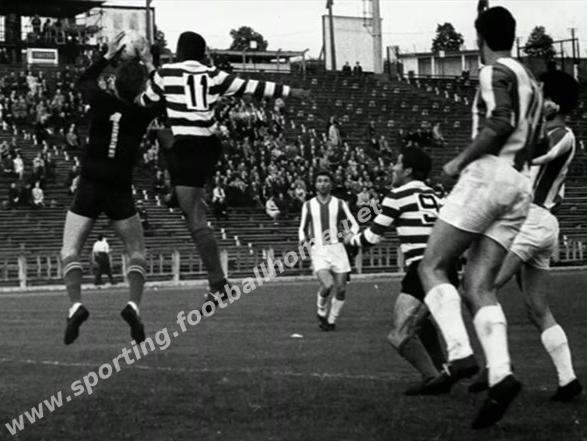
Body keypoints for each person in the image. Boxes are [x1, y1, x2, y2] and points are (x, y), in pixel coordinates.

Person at [416, 6, 545, 429]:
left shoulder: (493, 72)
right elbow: (537, 139)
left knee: (432, 265)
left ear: (479, 40)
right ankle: (502, 375)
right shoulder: (533, 82)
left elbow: (501, 120)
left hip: (490, 174)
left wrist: (460, 160)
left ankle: (458, 354)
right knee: (479, 285)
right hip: (521, 185)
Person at [135, 31, 310, 309]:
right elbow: (252, 85)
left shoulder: (166, 73)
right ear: (202, 54)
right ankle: (175, 192)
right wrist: (292, 91)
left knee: (195, 220)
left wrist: (146, 71)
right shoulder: (213, 74)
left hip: (187, 149)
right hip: (209, 146)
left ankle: (219, 284)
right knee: (165, 137)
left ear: (179, 52)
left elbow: (146, 101)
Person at [468, 70, 581, 401]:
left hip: (532, 220)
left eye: (540, 91)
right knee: (536, 308)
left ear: (553, 100)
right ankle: (568, 380)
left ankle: (497, 365)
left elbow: (532, 156)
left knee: (481, 287)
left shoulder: (563, 134)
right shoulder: (547, 131)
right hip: (537, 223)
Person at [62, 32, 163, 345]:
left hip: (90, 183)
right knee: (136, 251)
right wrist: (150, 63)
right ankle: (133, 305)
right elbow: (163, 95)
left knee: (70, 250)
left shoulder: (100, 100)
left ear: (115, 84)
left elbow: (84, 79)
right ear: (139, 89)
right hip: (120, 186)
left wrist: (106, 56)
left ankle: (76, 305)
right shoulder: (141, 113)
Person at [346, 147, 455, 395]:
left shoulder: (397, 195)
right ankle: (443, 373)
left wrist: (350, 240)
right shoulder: (435, 195)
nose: (392, 168)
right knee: (421, 325)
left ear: (407, 170)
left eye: (397, 163)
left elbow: (372, 237)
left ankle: (432, 378)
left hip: (422, 269)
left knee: (398, 333)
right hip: (447, 267)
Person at [299, 170, 358, 331]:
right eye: (319, 181)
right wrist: (304, 241)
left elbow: (354, 224)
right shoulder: (308, 205)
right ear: (315, 184)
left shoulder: (339, 203)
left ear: (331, 184)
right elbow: (302, 228)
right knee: (327, 284)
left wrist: (350, 234)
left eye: (326, 181)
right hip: (318, 249)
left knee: (341, 288)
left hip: (337, 248)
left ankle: (331, 320)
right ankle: (321, 310)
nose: (323, 184)